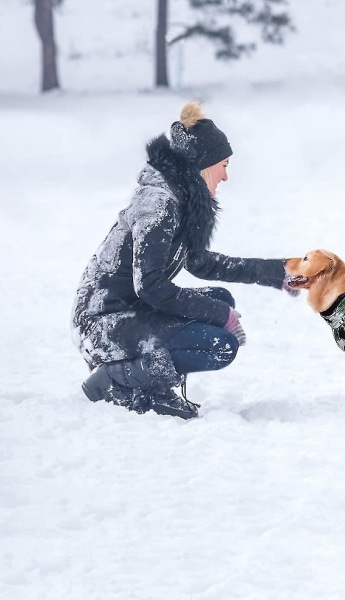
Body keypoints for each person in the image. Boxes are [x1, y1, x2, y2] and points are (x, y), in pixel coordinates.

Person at [71, 100, 298, 420]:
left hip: (129, 312)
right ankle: (117, 383)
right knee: (219, 343)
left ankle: (145, 379)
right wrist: (222, 316)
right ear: (204, 164)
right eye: (225, 165)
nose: (225, 176)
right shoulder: (158, 204)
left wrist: (279, 271)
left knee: (221, 299)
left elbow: (201, 263)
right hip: (100, 323)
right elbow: (149, 286)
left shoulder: (179, 201)